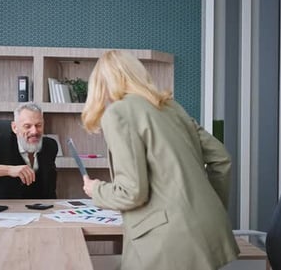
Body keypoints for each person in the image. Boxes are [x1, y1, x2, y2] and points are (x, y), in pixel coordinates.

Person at [80, 50, 239, 270]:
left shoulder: (118, 113)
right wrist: (209, 207)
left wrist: (96, 189)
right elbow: (221, 158)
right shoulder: (171, 107)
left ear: (100, 83)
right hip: (208, 230)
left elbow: (132, 192)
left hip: (168, 240)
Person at [0, 102, 58, 199]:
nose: (34, 131)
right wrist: (9, 170)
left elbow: (50, 189)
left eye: (38, 125)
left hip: (41, 208)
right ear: (15, 128)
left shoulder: (50, 146)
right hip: (8, 207)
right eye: (27, 126)